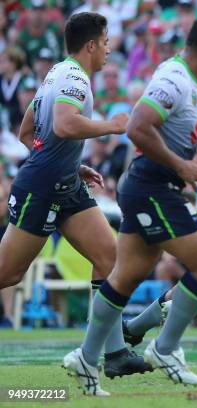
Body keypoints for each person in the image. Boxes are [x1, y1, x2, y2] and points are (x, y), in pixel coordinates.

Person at [62, 17, 197, 396]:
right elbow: (137, 126)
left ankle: (86, 357)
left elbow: (196, 119)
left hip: (148, 186)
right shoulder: (174, 78)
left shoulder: (196, 81)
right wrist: (181, 165)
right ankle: (165, 348)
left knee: (124, 277)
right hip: (153, 185)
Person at [0, 11, 149, 386]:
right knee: (9, 273)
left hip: (63, 181)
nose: (109, 49)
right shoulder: (75, 78)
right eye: (106, 42)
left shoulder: (56, 73)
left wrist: (71, 163)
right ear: (91, 44)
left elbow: (28, 130)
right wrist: (113, 126)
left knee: (109, 257)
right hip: (44, 186)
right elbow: (65, 125)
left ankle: (113, 355)